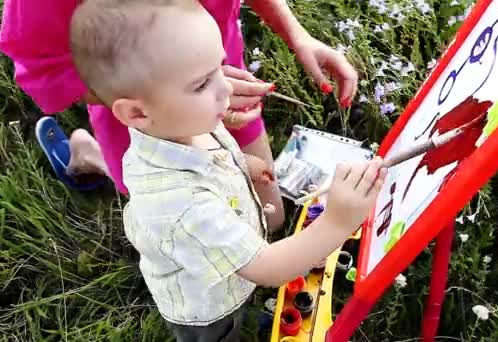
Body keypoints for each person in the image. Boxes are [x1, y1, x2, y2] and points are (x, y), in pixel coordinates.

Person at [69, 1, 385, 340]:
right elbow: (268, 267)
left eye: (220, 67)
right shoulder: (181, 203)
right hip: (209, 308)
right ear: (137, 113)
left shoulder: (178, 122)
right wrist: (338, 221)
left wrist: (244, 165)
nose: (227, 87)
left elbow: (214, 155)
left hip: (226, 260)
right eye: (202, 83)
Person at [0, 0, 358, 230]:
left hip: (221, 83)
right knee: (177, 220)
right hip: (144, 116)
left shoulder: (219, 83)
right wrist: (334, 228)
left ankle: (91, 152)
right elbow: (41, 69)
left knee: (271, 217)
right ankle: (96, 156)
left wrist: (296, 35)